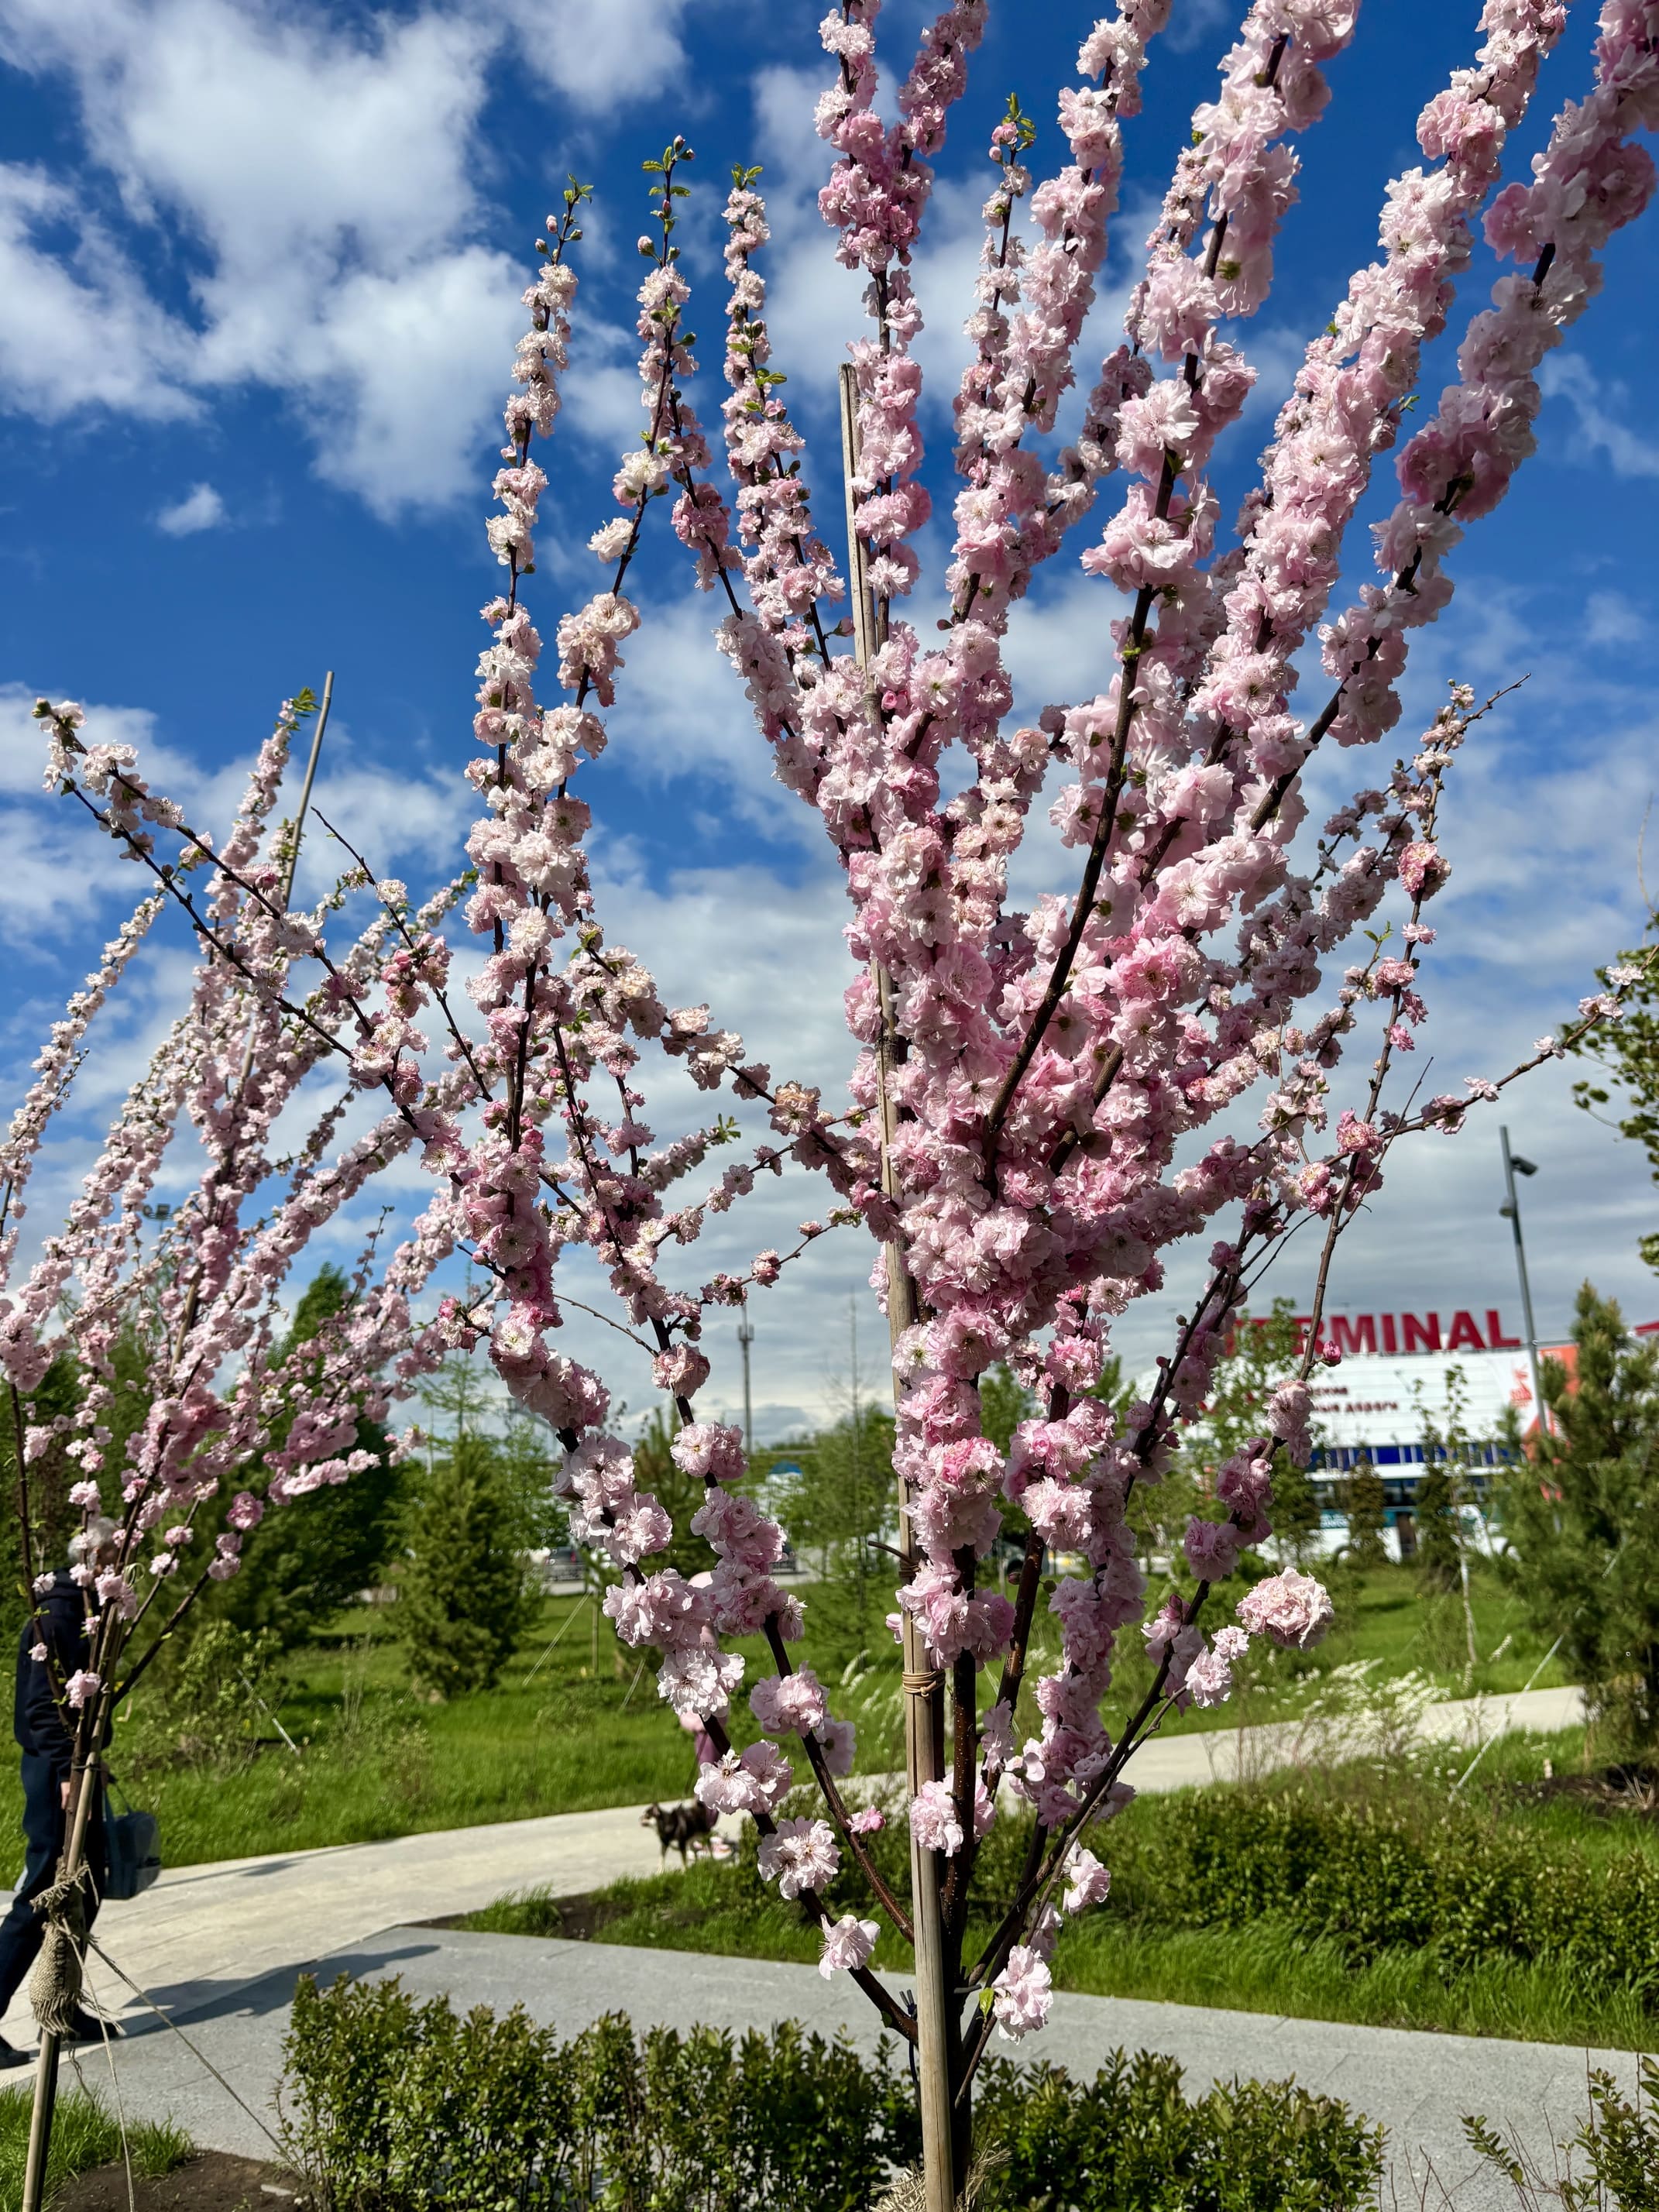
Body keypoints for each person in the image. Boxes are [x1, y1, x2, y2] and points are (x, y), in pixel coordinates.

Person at [0, 1522, 116, 2065]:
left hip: (80, 1768)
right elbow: (39, 1709)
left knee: (88, 1885)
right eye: (115, 1554)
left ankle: (62, 2005)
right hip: (55, 1773)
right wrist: (69, 1773)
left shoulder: (92, 1611)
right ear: (91, 1556)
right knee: (40, 1890)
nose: (121, 1564)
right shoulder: (56, 1614)